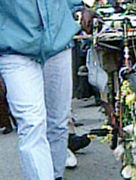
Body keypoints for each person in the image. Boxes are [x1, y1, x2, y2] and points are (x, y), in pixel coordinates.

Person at [0, 1, 94, 180]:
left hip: (58, 43)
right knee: (32, 123)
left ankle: (55, 175)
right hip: (13, 48)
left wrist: (78, 7)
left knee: (58, 122)